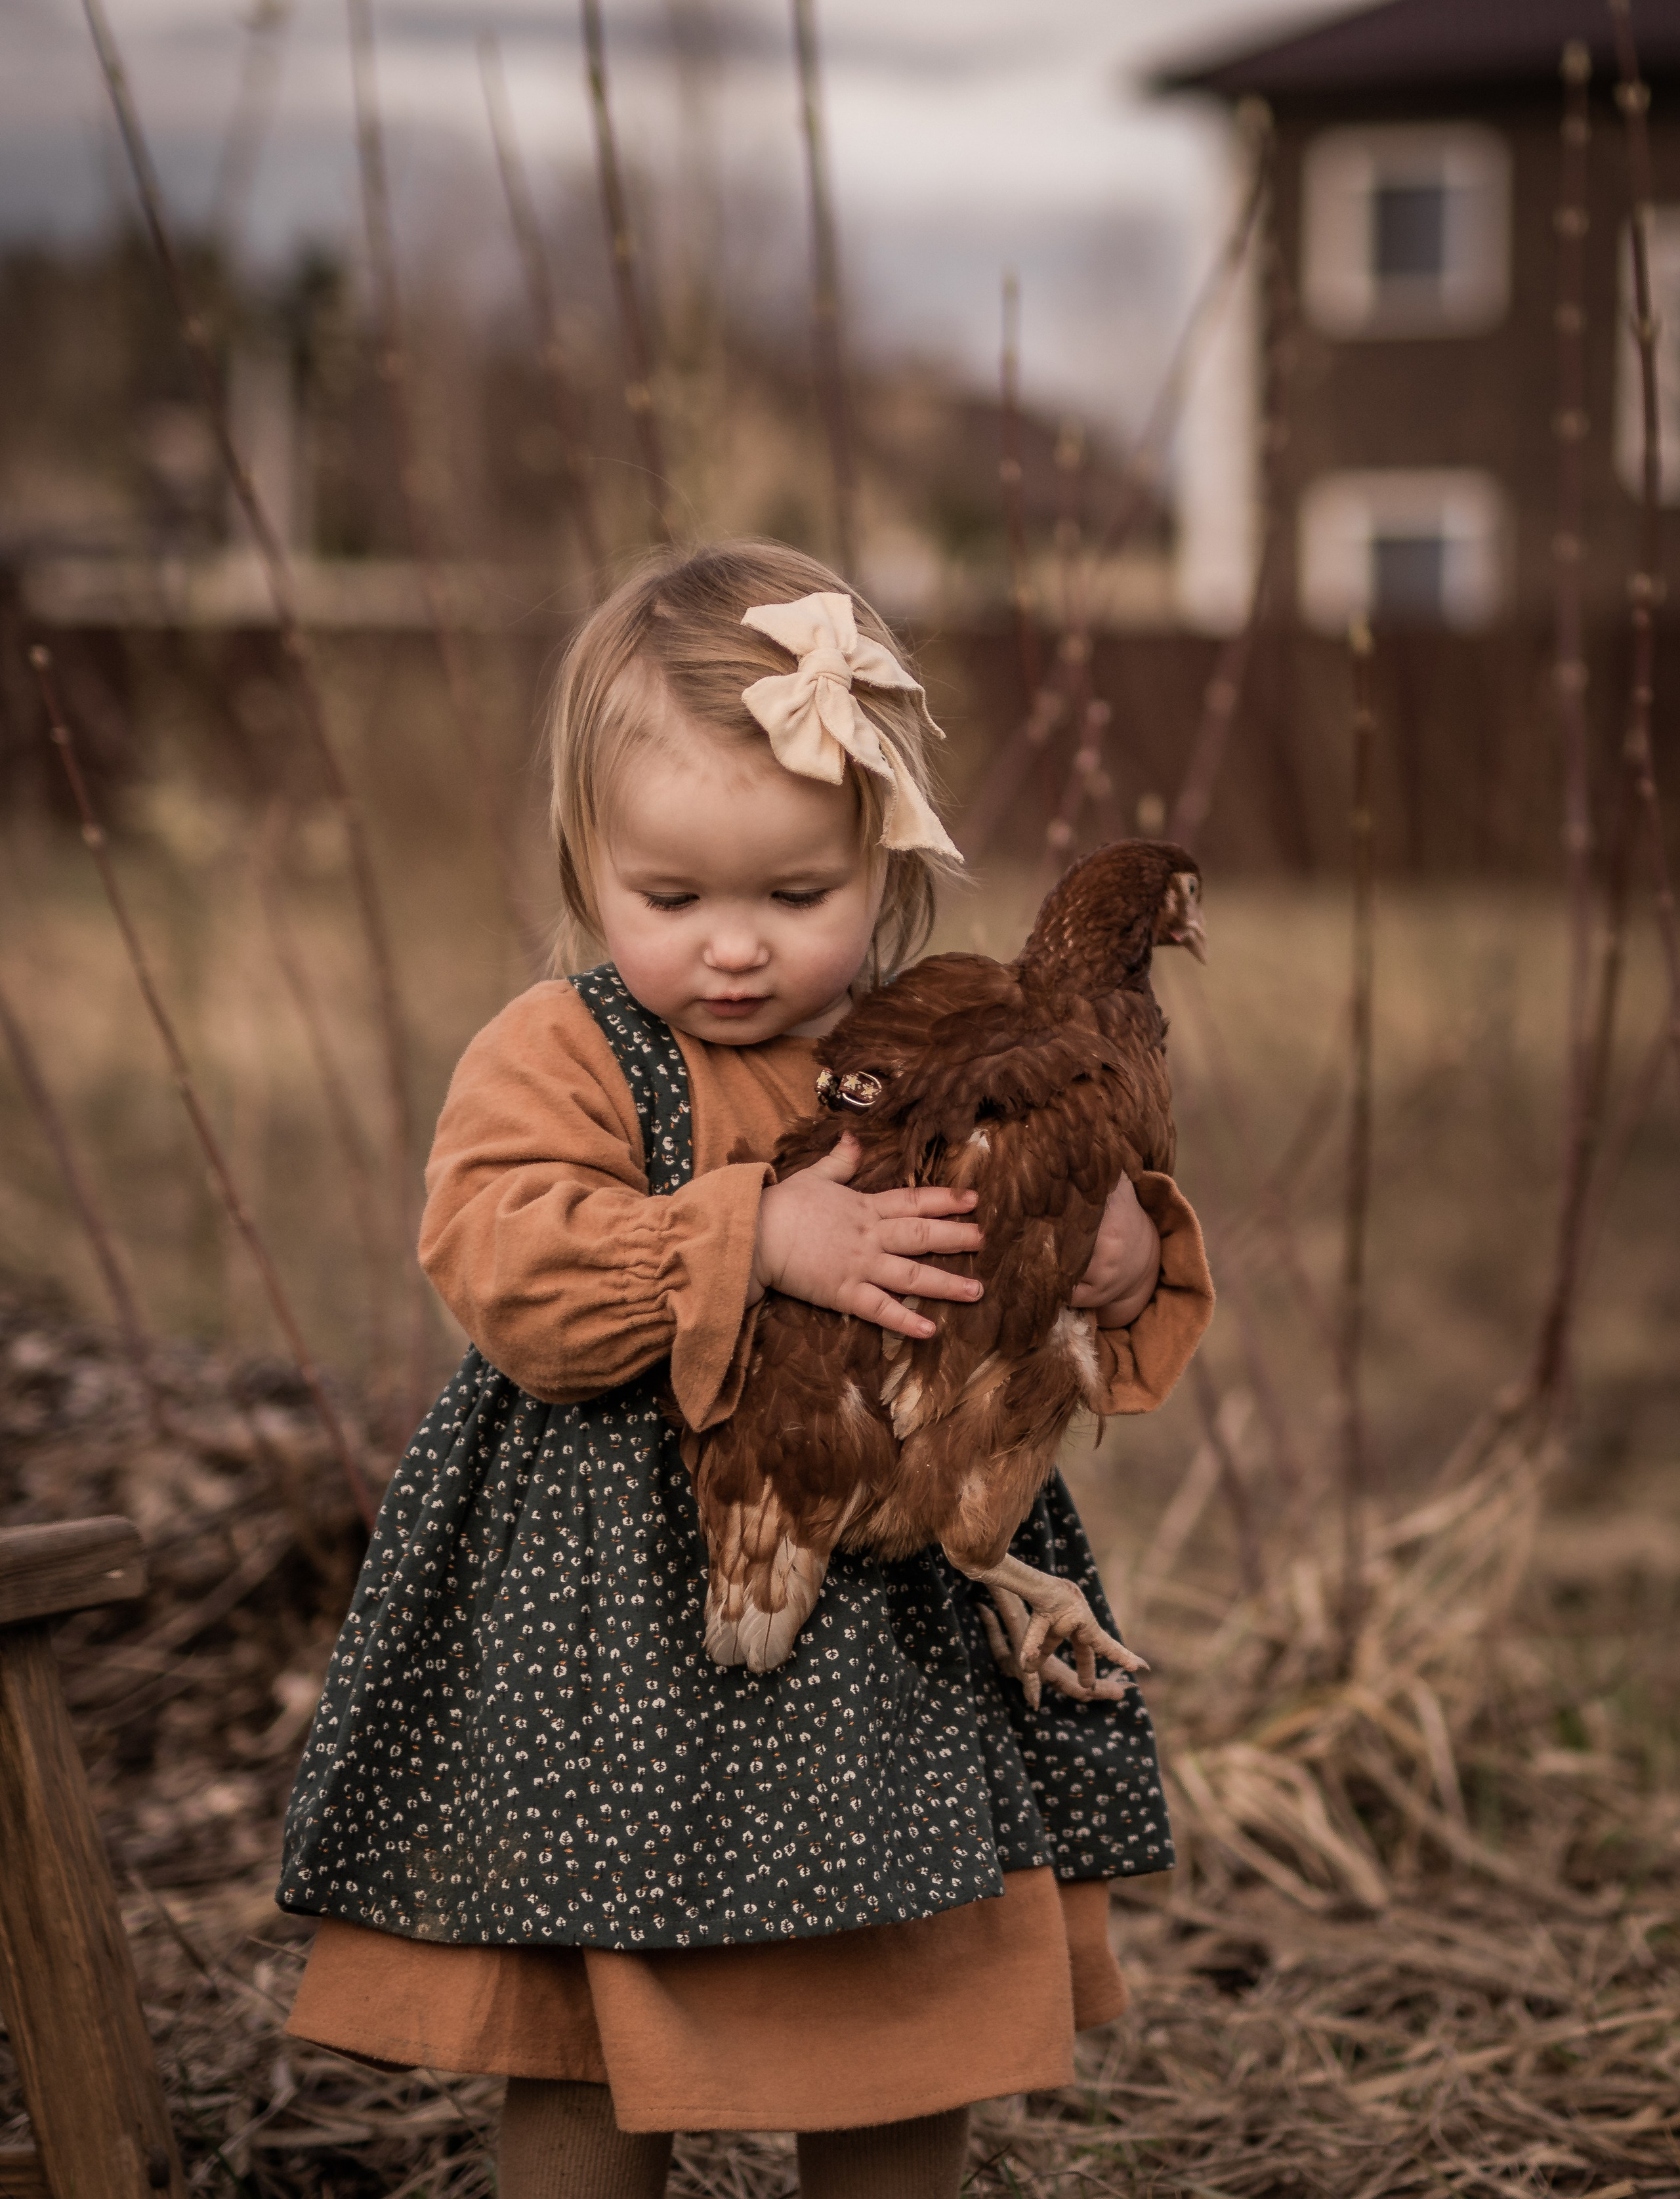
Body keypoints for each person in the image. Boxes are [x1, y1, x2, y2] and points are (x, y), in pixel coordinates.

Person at [278, 540, 1214, 2199]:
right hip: (614, 1628)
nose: (733, 948)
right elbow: (496, 1258)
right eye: (671, 897)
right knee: (592, 2000)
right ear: (585, 865)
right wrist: (744, 1241)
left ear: (886, 861)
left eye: (795, 896)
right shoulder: (562, 1049)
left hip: (892, 1633)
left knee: (900, 1990)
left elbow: (1026, 1281)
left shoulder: (947, 1041)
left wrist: (1122, 1241)